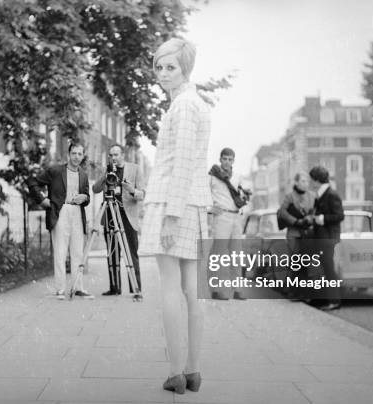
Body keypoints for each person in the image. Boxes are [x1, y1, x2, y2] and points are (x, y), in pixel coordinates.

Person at [139, 38, 211, 395]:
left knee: (170, 287)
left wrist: (170, 215)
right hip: (192, 206)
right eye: (159, 66)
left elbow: (181, 163)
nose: (163, 74)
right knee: (191, 290)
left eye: (171, 67)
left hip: (173, 203)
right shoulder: (195, 103)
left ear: (186, 68)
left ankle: (175, 374)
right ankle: (193, 370)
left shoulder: (183, 106)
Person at [28, 142, 94, 300]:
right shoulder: (56, 171)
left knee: (78, 251)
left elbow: (87, 197)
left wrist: (84, 197)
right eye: (74, 153)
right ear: (68, 155)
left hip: (77, 212)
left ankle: (78, 288)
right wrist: (43, 200)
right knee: (60, 251)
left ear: (83, 156)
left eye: (80, 154)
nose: (77, 157)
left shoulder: (83, 175)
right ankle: (60, 289)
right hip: (60, 211)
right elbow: (33, 182)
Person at [92, 144, 146, 297]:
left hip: (127, 216)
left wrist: (131, 190)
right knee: (112, 253)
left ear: (123, 155)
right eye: (111, 155)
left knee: (131, 253)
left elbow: (143, 194)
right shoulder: (106, 169)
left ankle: (136, 288)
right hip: (110, 215)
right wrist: (106, 174)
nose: (113, 158)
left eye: (116, 154)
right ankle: (115, 287)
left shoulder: (135, 169)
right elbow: (95, 189)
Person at [208, 147, 251, 300]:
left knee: (236, 254)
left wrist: (245, 195)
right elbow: (205, 196)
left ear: (233, 161)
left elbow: (245, 194)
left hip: (236, 217)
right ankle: (216, 289)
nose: (227, 162)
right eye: (224, 158)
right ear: (220, 159)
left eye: (230, 159)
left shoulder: (238, 177)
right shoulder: (212, 176)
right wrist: (210, 209)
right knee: (218, 255)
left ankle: (237, 289)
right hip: (221, 216)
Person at [309, 165, 344, 310]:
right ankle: (324, 300)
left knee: (329, 270)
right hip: (322, 238)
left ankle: (335, 301)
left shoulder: (331, 194)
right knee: (324, 269)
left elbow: (339, 216)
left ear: (317, 180)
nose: (310, 182)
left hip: (328, 239)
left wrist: (322, 218)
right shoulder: (320, 194)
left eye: (312, 179)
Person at [277, 172, 315, 300]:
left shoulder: (311, 196)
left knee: (305, 262)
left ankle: (303, 292)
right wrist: (295, 221)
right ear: (296, 182)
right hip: (293, 233)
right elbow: (282, 212)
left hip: (306, 232)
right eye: (303, 181)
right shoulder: (290, 196)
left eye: (307, 181)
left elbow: (314, 211)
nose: (306, 184)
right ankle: (293, 291)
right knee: (295, 262)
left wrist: (308, 219)